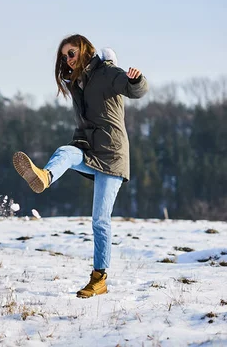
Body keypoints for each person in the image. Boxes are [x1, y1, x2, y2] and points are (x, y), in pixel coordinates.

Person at [13, 34, 148, 298]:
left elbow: (135, 90)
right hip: (90, 150)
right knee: (66, 151)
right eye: (64, 56)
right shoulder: (78, 84)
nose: (68, 60)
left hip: (112, 155)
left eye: (71, 53)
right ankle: (45, 176)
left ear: (84, 50)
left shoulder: (106, 73)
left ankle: (99, 279)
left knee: (100, 220)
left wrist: (136, 79)